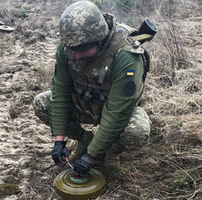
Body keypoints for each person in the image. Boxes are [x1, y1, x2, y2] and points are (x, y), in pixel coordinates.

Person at [33, 0, 152, 177]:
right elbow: (60, 94)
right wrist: (59, 141)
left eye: (83, 50)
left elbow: (117, 111)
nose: (77, 55)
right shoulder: (68, 47)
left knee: (137, 131)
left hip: (114, 109)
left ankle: (111, 150)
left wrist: (91, 155)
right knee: (42, 103)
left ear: (100, 39)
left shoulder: (127, 56)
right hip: (84, 103)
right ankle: (84, 139)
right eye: (73, 50)